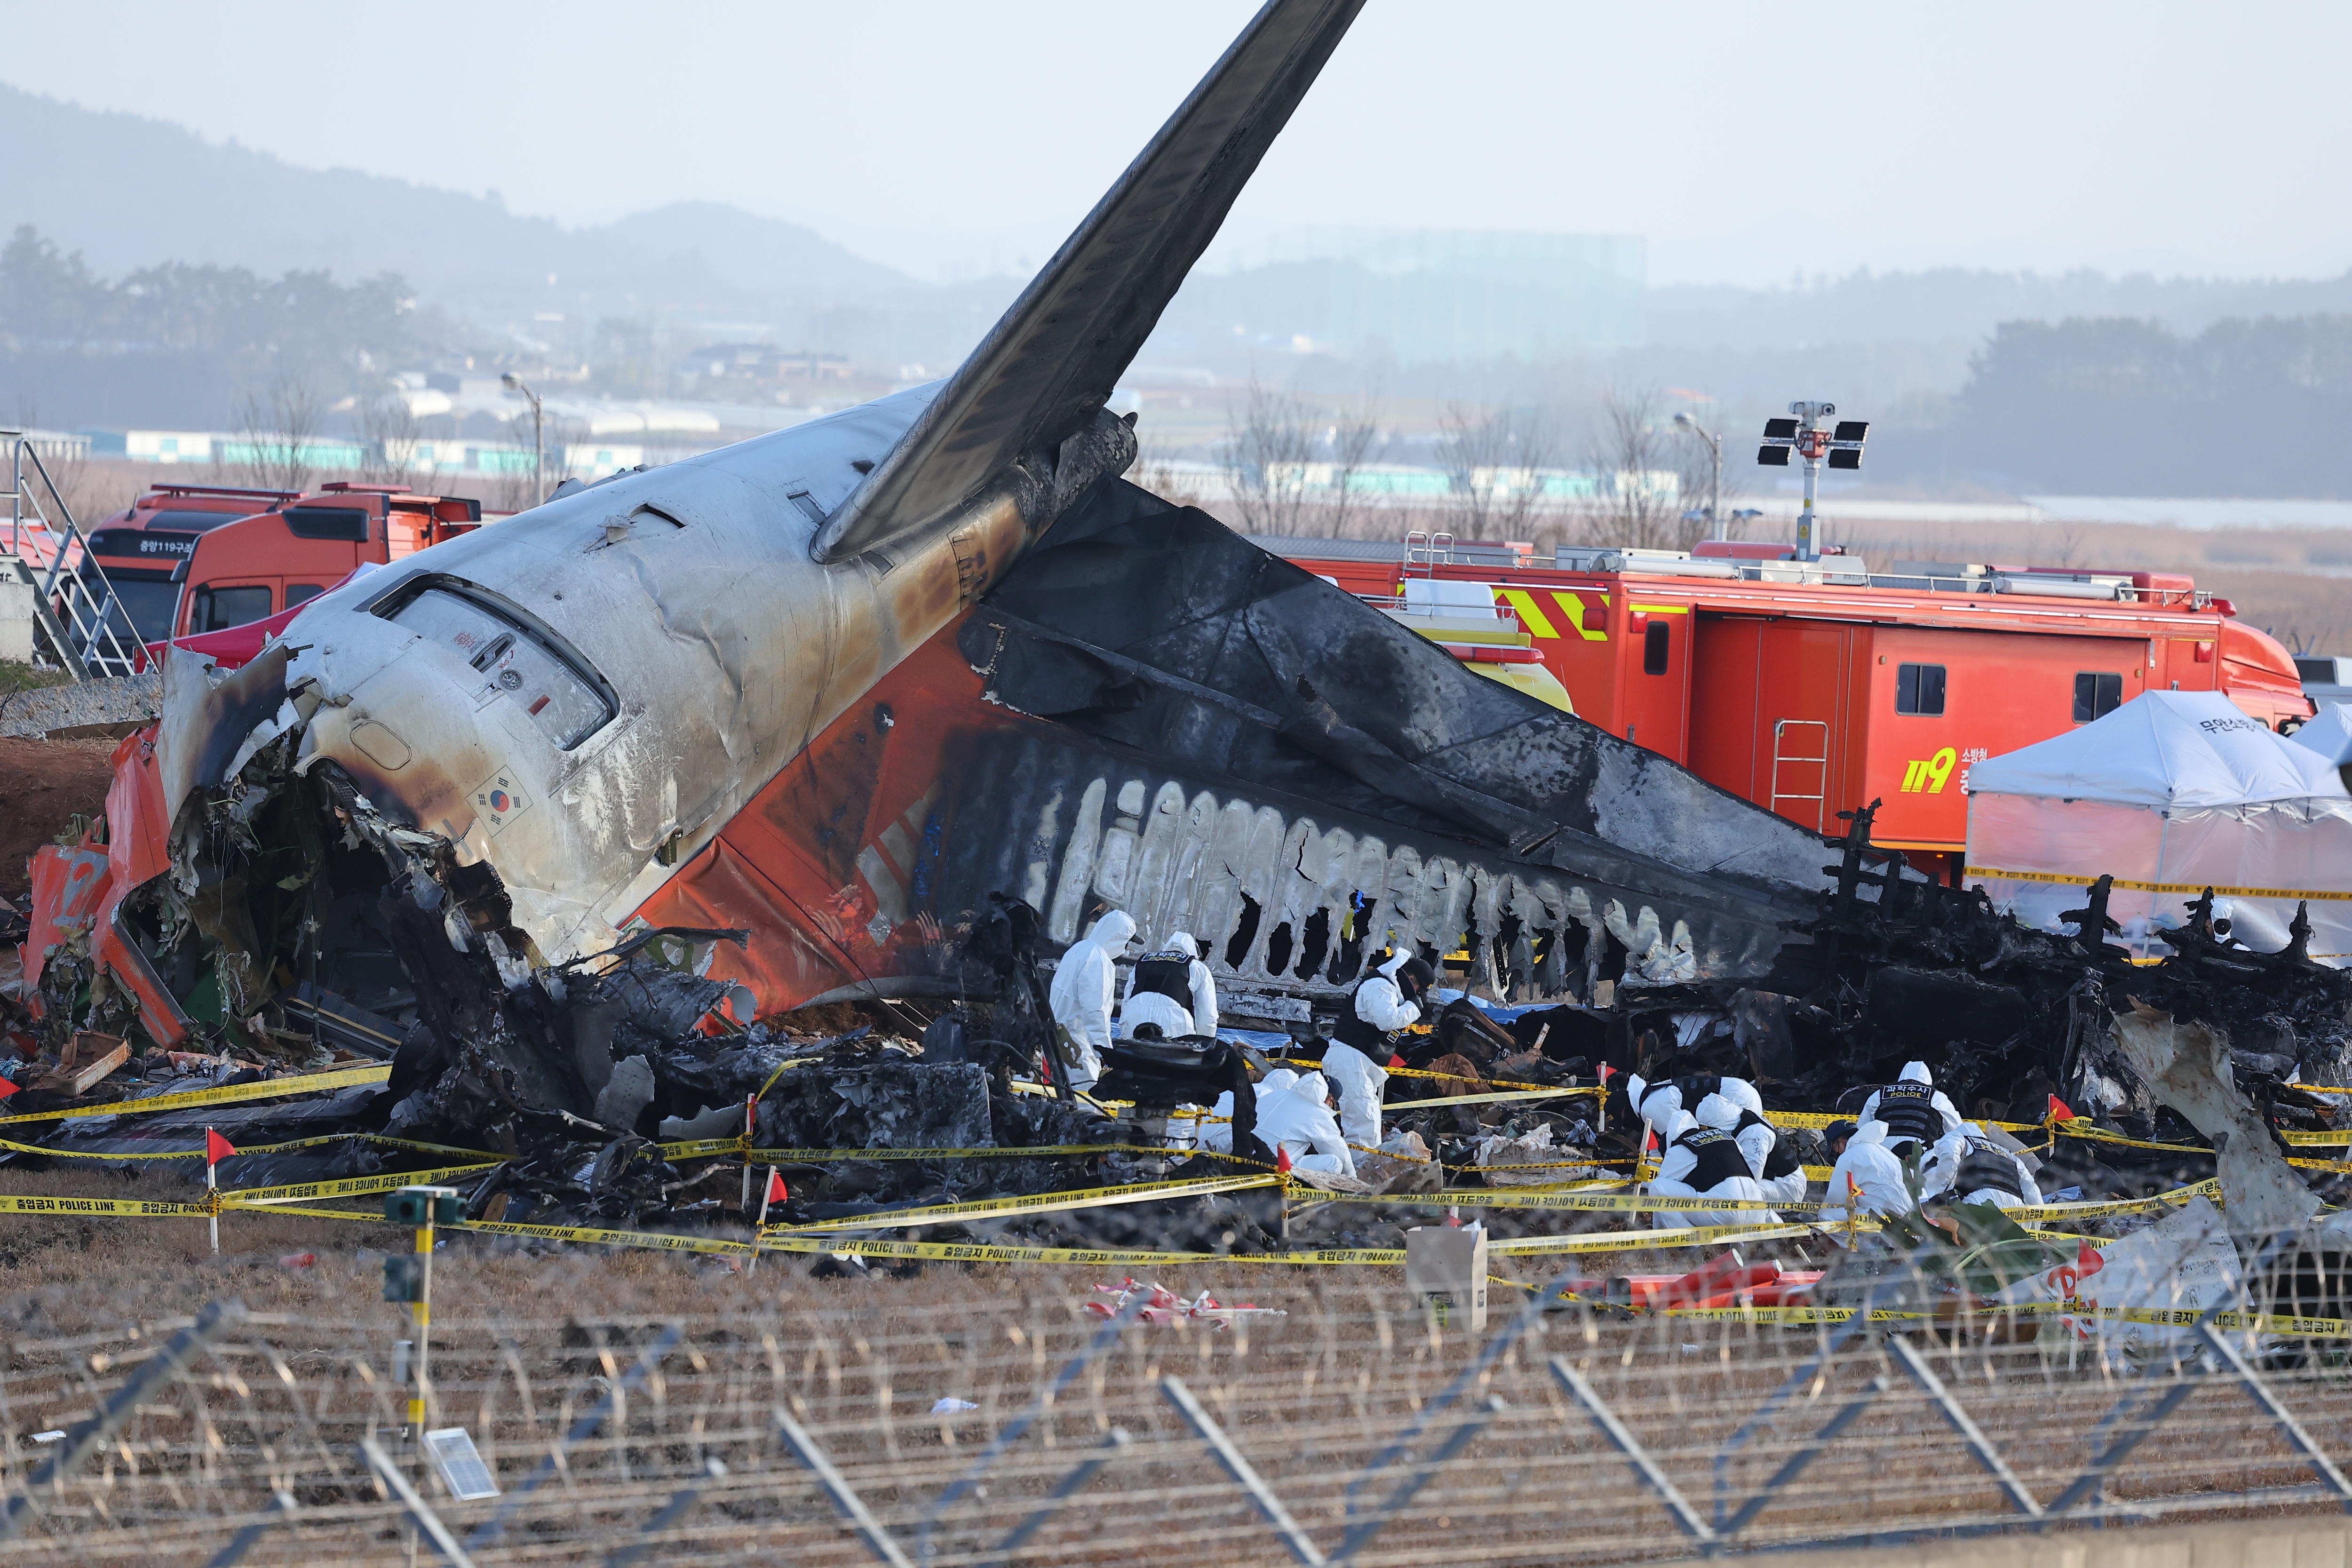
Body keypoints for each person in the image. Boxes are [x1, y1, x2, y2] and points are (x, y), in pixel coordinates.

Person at [1323, 951, 1434, 1150]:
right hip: (1350, 1059)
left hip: (1359, 1061)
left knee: (1370, 1118)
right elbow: (1387, 1020)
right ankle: (1358, 1173)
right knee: (1361, 1123)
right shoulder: (1380, 985)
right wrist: (1414, 1008)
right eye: (1418, 988)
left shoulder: (1388, 988)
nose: (1416, 994)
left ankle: (1367, 1166)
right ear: (1410, 979)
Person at [1646, 1093, 1774, 1228]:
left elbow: (1661, 1193)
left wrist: (1656, 1234)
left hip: (1724, 1215)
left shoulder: (1678, 1148)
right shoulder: (1728, 1138)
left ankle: (1690, 1244)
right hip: (1756, 1213)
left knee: (1657, 1186)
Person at [1047, 909, 1136, 1091]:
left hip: (1056, 1036)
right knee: (1086, 1104)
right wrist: (1105, 1052)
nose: (1125, 948)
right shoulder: (1099, 960)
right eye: (1126, 942)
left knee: (1059, 1102)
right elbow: (1096, 1012)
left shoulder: (1079, 949)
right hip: (1076, 1044)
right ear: (1118, 938)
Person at [1819, 1118, 1913, 1237]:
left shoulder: (1849, 1157)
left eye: (1836, 1150)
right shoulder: (1879, 1149)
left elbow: (1835, 1201)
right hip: (1911, 1218)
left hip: (1888, 1220)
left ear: (1842, 1142)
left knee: (1826, 1216)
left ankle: (1865, 1252)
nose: (1838, 1153)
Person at [1253, 1067, 1354, 1177]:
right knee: (1334, 1163)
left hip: (1243, 1157)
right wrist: (1353, 1179)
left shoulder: (1279, 1094)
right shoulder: (1318, 1114)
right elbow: (1340, 1153)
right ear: (1329, 1099)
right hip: (1273, 1166)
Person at [1120, 931, 1218, 1040]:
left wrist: (1125, 1032)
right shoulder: (1197, 967)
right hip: (1174, 1025)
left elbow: (1126, 1000)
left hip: (1135, 1022)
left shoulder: (1143, 961)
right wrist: (1206, 1043)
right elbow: (1207, 1016)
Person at [1925, 1122, 2044, 1211]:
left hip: (1981, 1201)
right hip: (2016, 1207)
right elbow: (2032, 1190)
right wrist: (2036, 1223)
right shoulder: (2008, 1154)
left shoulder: (1959, 1139)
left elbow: (1950, 1156)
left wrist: (1941, 1191)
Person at [1856, 1061, 1963, 1155]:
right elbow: (1957, 1130)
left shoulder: (1880, 1094)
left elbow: (1862, 1129)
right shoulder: (1936, 1096)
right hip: (1920, 1155)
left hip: (1884, 1154)